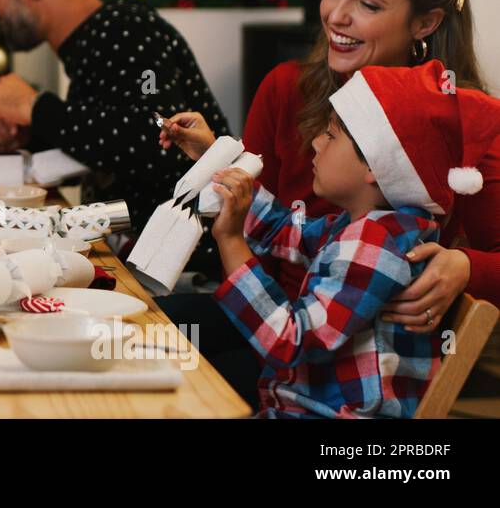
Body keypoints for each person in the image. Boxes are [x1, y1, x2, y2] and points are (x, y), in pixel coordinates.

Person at [160, 0, 496, 405]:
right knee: (141, 330)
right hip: (271, 317)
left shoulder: (463, 130)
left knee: (174, 388)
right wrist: (215, 160)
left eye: (368, 3)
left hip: (342, 370)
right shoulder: (285, 88)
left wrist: (467, 267)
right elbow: (274, 223)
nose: (337, 16)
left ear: (425, 21)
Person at [210, 60, 499, 417]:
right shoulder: (362, 227)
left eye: (330, 134)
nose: (315, 142)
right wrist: (214, 162)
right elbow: (279, 228)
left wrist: (230, 242)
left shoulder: (378, 245)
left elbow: (288, 342)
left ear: (375, 167)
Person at [0, 0, 230, 258]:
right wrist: (29, 133)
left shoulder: (133, 30)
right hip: (135, 262)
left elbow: (158, 140)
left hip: (180, 279)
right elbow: (105, 142)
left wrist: (35, 108)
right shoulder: (98, 40)